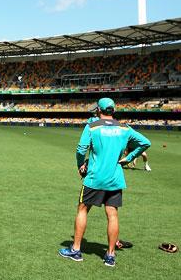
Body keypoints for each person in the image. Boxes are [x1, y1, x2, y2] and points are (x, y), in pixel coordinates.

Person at [59, 98, 150, 267]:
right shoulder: (124, 128)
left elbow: (81, 149)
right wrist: (129, 158)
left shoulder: (92, 127)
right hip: (115, 178)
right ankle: (110, 255)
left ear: (98, 111)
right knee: (112, 214)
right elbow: (146, 143)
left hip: (94, 178)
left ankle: (76, 250)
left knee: (83, 209)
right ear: (113, 111)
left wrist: (80, 165)